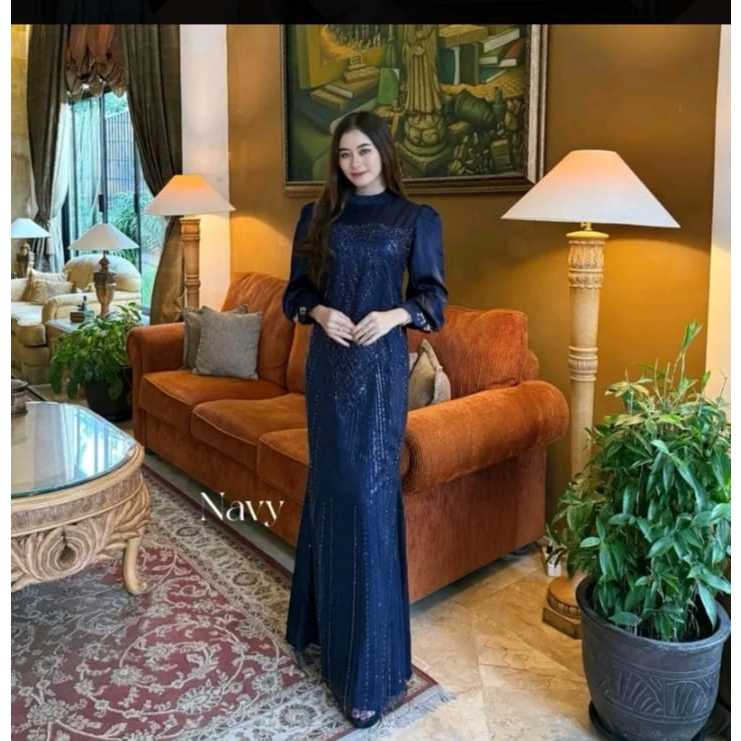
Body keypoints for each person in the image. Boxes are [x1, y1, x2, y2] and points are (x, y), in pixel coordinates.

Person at [282, 110, 448, 729]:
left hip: (379, 375)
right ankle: (319, 629)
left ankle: (369, 671)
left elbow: (434, 300)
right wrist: (318, 313)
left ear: (383, 153)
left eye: (364, 152)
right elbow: (294, 293)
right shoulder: (317, 216)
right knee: (330, 491)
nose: (354, 163)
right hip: (328, 371)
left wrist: (397, 314)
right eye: (345, 154)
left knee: (369, 501)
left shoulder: (415, 219)